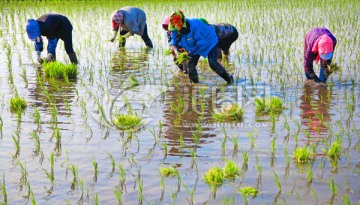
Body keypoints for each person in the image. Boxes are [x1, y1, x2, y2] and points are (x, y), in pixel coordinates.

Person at [168, 11, 234, 84]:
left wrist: (190, 54)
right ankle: (195, 85)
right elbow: (174, 43)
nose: (176, 28)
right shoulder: (173, 27)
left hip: (209, 41)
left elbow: (200, 43)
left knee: (213, 64)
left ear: (182, 22)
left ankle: (229, 79)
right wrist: (177, 53)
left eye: (178, 25)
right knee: (190, 64)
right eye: (175, 26)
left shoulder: (195, 25)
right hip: (194, 44)